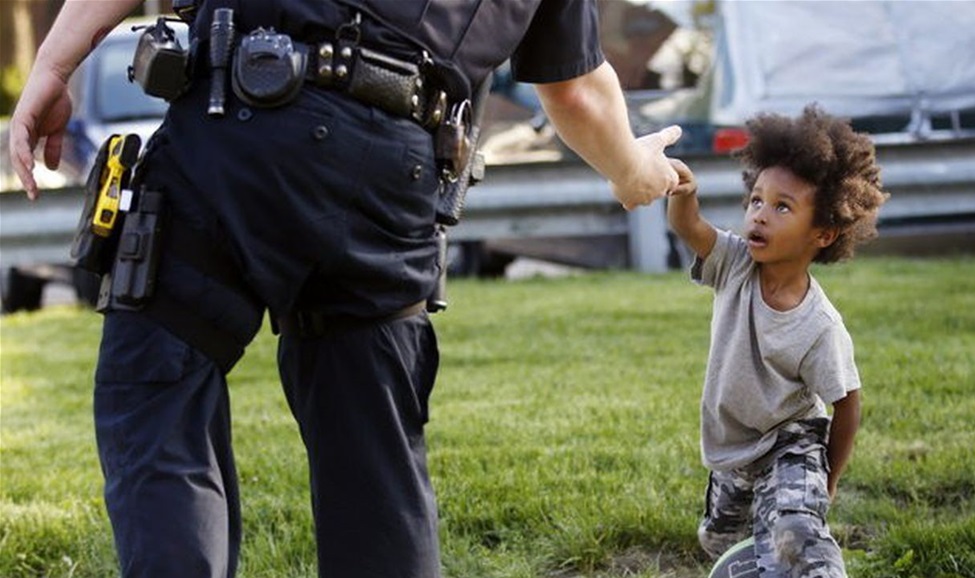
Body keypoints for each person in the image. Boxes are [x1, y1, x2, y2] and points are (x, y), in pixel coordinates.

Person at [9, 1, 690, 577]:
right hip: (394, 165)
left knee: (156, 393)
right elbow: (573, 86)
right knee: (373, 453)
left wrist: (54, 65)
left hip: (240, 123)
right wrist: (631, 169)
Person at [667, 105, 888, 577]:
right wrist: (685, 194)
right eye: (756, 201)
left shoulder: (820, 326)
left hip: (792, 443)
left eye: (782, 206)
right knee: (722, 539)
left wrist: (826, 482)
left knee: (795, 532)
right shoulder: (735, 262)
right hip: (732, 445)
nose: (761, 216)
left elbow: (847, 403)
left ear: (824, 232)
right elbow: (691, 228)